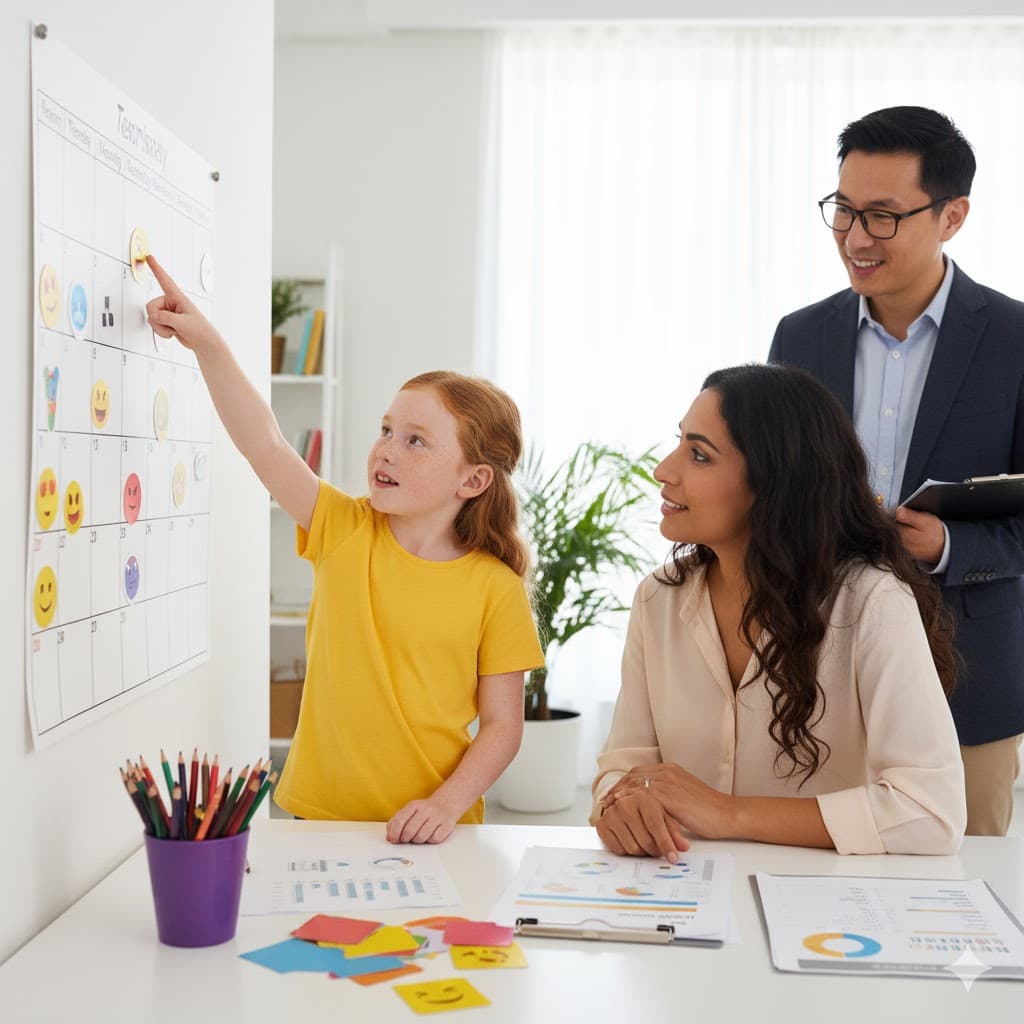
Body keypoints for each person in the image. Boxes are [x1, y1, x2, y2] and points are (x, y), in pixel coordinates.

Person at [145, 256, 544, 844]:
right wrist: (206, 343)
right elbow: (267, 444)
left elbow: (504, 726)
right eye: (386, 431)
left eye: (415, 441)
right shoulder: (343, 527)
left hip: (433, 827)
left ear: (474, 480)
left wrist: (445, 805)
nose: (387, 450)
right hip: (320, 816)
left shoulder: (496, 586)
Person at [769, 106, 1024, 836]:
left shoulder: (1014, 340)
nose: (854, 238)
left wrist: (944, 546)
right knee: (812, 878)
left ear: (953, 217)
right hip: (817, 668)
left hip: (968, 679)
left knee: (964, 895)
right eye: (843, 211)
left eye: (882, 217)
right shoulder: (801, 334)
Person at [591, 364, 966, 859]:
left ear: (774, 484)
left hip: (820, 909)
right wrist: (617, 804)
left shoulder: (871, 601)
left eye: (699, 455)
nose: (664, 469)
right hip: (682, 889)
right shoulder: (658, 598)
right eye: (680, 442)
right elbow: (625, 765)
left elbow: (932, 812)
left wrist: (727, 813)